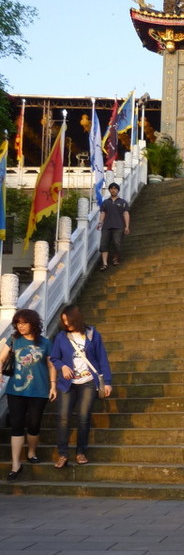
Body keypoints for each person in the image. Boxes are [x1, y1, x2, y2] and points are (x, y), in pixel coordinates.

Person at [50, 304, 112, 468]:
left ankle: (80, 452)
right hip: (67, 384)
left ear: (76, 319)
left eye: (68, 320)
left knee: (84, 417)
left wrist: (107, 382)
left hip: (88, 382)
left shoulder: (93, 334)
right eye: (63, 321)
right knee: (63, 418)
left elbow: (102, 359)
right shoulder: (61, 337)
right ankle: (63, 454)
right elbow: (54, 358)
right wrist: (62, 366)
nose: (66, 324)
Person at [0, 309, 57, 480]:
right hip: (15, 390)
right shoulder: (14, 340)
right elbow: (1, 358)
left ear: (33, 324)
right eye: (18, 323)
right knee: (17, 425)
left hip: (39, 390)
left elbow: (51, 365)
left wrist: (53, 386)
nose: (21, 326)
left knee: (34, 424)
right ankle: (15, 464)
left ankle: (31, 452)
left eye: (24, 323)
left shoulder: (45, 343)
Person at [98, 182, 130, 270]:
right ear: (109, 190)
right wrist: (100, 223)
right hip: (106, 226)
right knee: (104, 244)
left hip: (119, 226)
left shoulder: (123, 202)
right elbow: (103, 213)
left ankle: (115, 258)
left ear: (118, 190)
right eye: (111, 188)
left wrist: (127, 226)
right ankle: (104, 264)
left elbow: (126, 214)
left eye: (115, 188)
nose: (113, 190)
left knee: (117, 243)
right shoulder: (105, 202)